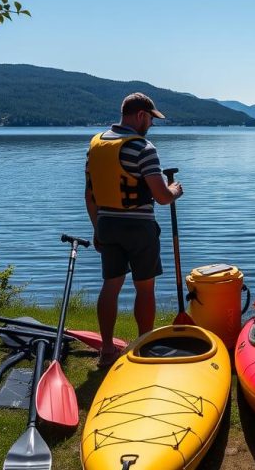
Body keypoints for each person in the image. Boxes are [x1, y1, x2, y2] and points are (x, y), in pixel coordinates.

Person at [85, 92, 183, 367]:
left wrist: (97, 228)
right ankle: (144, 347)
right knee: (145, 288)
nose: (151, 124)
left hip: (106, 224)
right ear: (141, 115)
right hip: (139, 227)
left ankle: (106, 350)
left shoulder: (95, 146)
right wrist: (174, 190)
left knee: (111, 286)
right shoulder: (143, 148)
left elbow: (89, 195)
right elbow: (162, 197)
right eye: (151, 118)